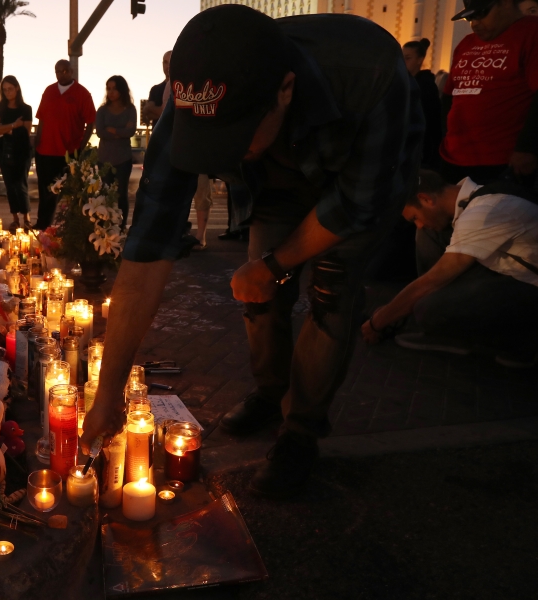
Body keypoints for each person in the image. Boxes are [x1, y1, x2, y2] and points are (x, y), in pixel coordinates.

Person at [81, 6, 424, 498]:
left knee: (332, 287)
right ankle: (269, 391)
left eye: (233, 139)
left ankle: (301, 430)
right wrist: (109, 389)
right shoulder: (195, 92)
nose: (220, 159)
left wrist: (276, 264)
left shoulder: (368, 75)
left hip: (360, 183)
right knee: (257, 293)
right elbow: (148, 246)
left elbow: (354, 207)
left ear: (284, 91)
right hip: (277, 184)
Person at [362, 170, 538, 368]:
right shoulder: (473, 197)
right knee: (429, 234)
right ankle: (441, 322)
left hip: (531, 287)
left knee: (426, 308)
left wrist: (378, 321)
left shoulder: (485, 211)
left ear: (426, 199)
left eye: (414, 217)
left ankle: (522, 344)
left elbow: (431, 282)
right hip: (512, 270)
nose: (418, 225)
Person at [440, 0, 538, 185]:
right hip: (455, 157)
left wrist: (527, 148)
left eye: (481, 14)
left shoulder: (531, 32)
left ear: (506, 3)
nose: (474, 24)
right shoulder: (466, 44)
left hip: (503, 160)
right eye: (469, 18)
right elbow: (449, 96)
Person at [33, 60, 96, 230]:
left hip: (68, 153)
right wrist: (36, 144)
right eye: (58, 71)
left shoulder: (82, 94)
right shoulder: (49, 91)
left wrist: (81, 148)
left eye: (65, 70)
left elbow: (90, 123)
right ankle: (43, 225)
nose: (62, 74)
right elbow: (42, 120)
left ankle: (67, 228)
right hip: (45, 151)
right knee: (45, 192)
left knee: (68, 194)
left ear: (72, 71)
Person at [0, 75, 33, 230]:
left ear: (17, 88)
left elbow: (27, 132)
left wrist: (6, 128)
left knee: (21, 184)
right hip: (4, 151)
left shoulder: (26, 108)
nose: (8, 92)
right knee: (10, 185)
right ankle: (15, 218)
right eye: (5, 90)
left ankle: (26, 218)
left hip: (22, 152)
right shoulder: (0, 108)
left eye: (10, 89)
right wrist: (15, 126)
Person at [96, 76, 138, 227]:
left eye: (114, 88)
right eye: (108, 88)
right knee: (105, 194)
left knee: (121, 194)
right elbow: (100, 132)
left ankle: (121, 226)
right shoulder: (102, 110)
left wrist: (112, 130)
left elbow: (130, 132)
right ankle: (104, 226)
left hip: (123, 159)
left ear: (122, 89)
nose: (111, 92)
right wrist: (120, 132)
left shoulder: (130, 109)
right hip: (104, 159)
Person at [403, 39, 443, 169]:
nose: (403, 62)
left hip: (423, 148)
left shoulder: (424, 86)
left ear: (420, 60)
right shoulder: (410, 83)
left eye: (408, 58)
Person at [143, 51, 171, 127]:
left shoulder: (180, 88)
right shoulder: (155, 89)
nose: (168, 66)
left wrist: (151, 108)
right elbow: (147, 114)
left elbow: (172, 114)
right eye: (165, 62)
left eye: (171, 62)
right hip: (158, 136)